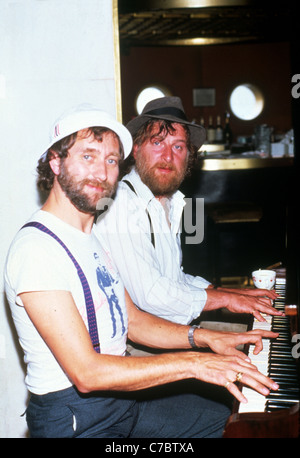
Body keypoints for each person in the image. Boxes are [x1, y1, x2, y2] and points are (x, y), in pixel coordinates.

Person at [4, 104, 279, 439]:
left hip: (120, 403)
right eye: (88, 156)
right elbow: (87, 373)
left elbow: (133, 320)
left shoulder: (90, 239)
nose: (102, 172)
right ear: (55, 162)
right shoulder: (37, 248)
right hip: (77, 417)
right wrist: (195, 363)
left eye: (110, 160)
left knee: (233, 422)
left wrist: (205, 338)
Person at [96, 96, 281, 326]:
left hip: (168, 329)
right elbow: (152, 295)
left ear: (188, 157)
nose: (167, 156)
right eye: (157, 142)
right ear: (135, 149)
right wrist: (224, 299)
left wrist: (229, 292)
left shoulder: (171, 202)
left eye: (178, 146)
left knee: (254, 336)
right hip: (134, 346)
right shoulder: (119, 204)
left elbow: (173, 280)